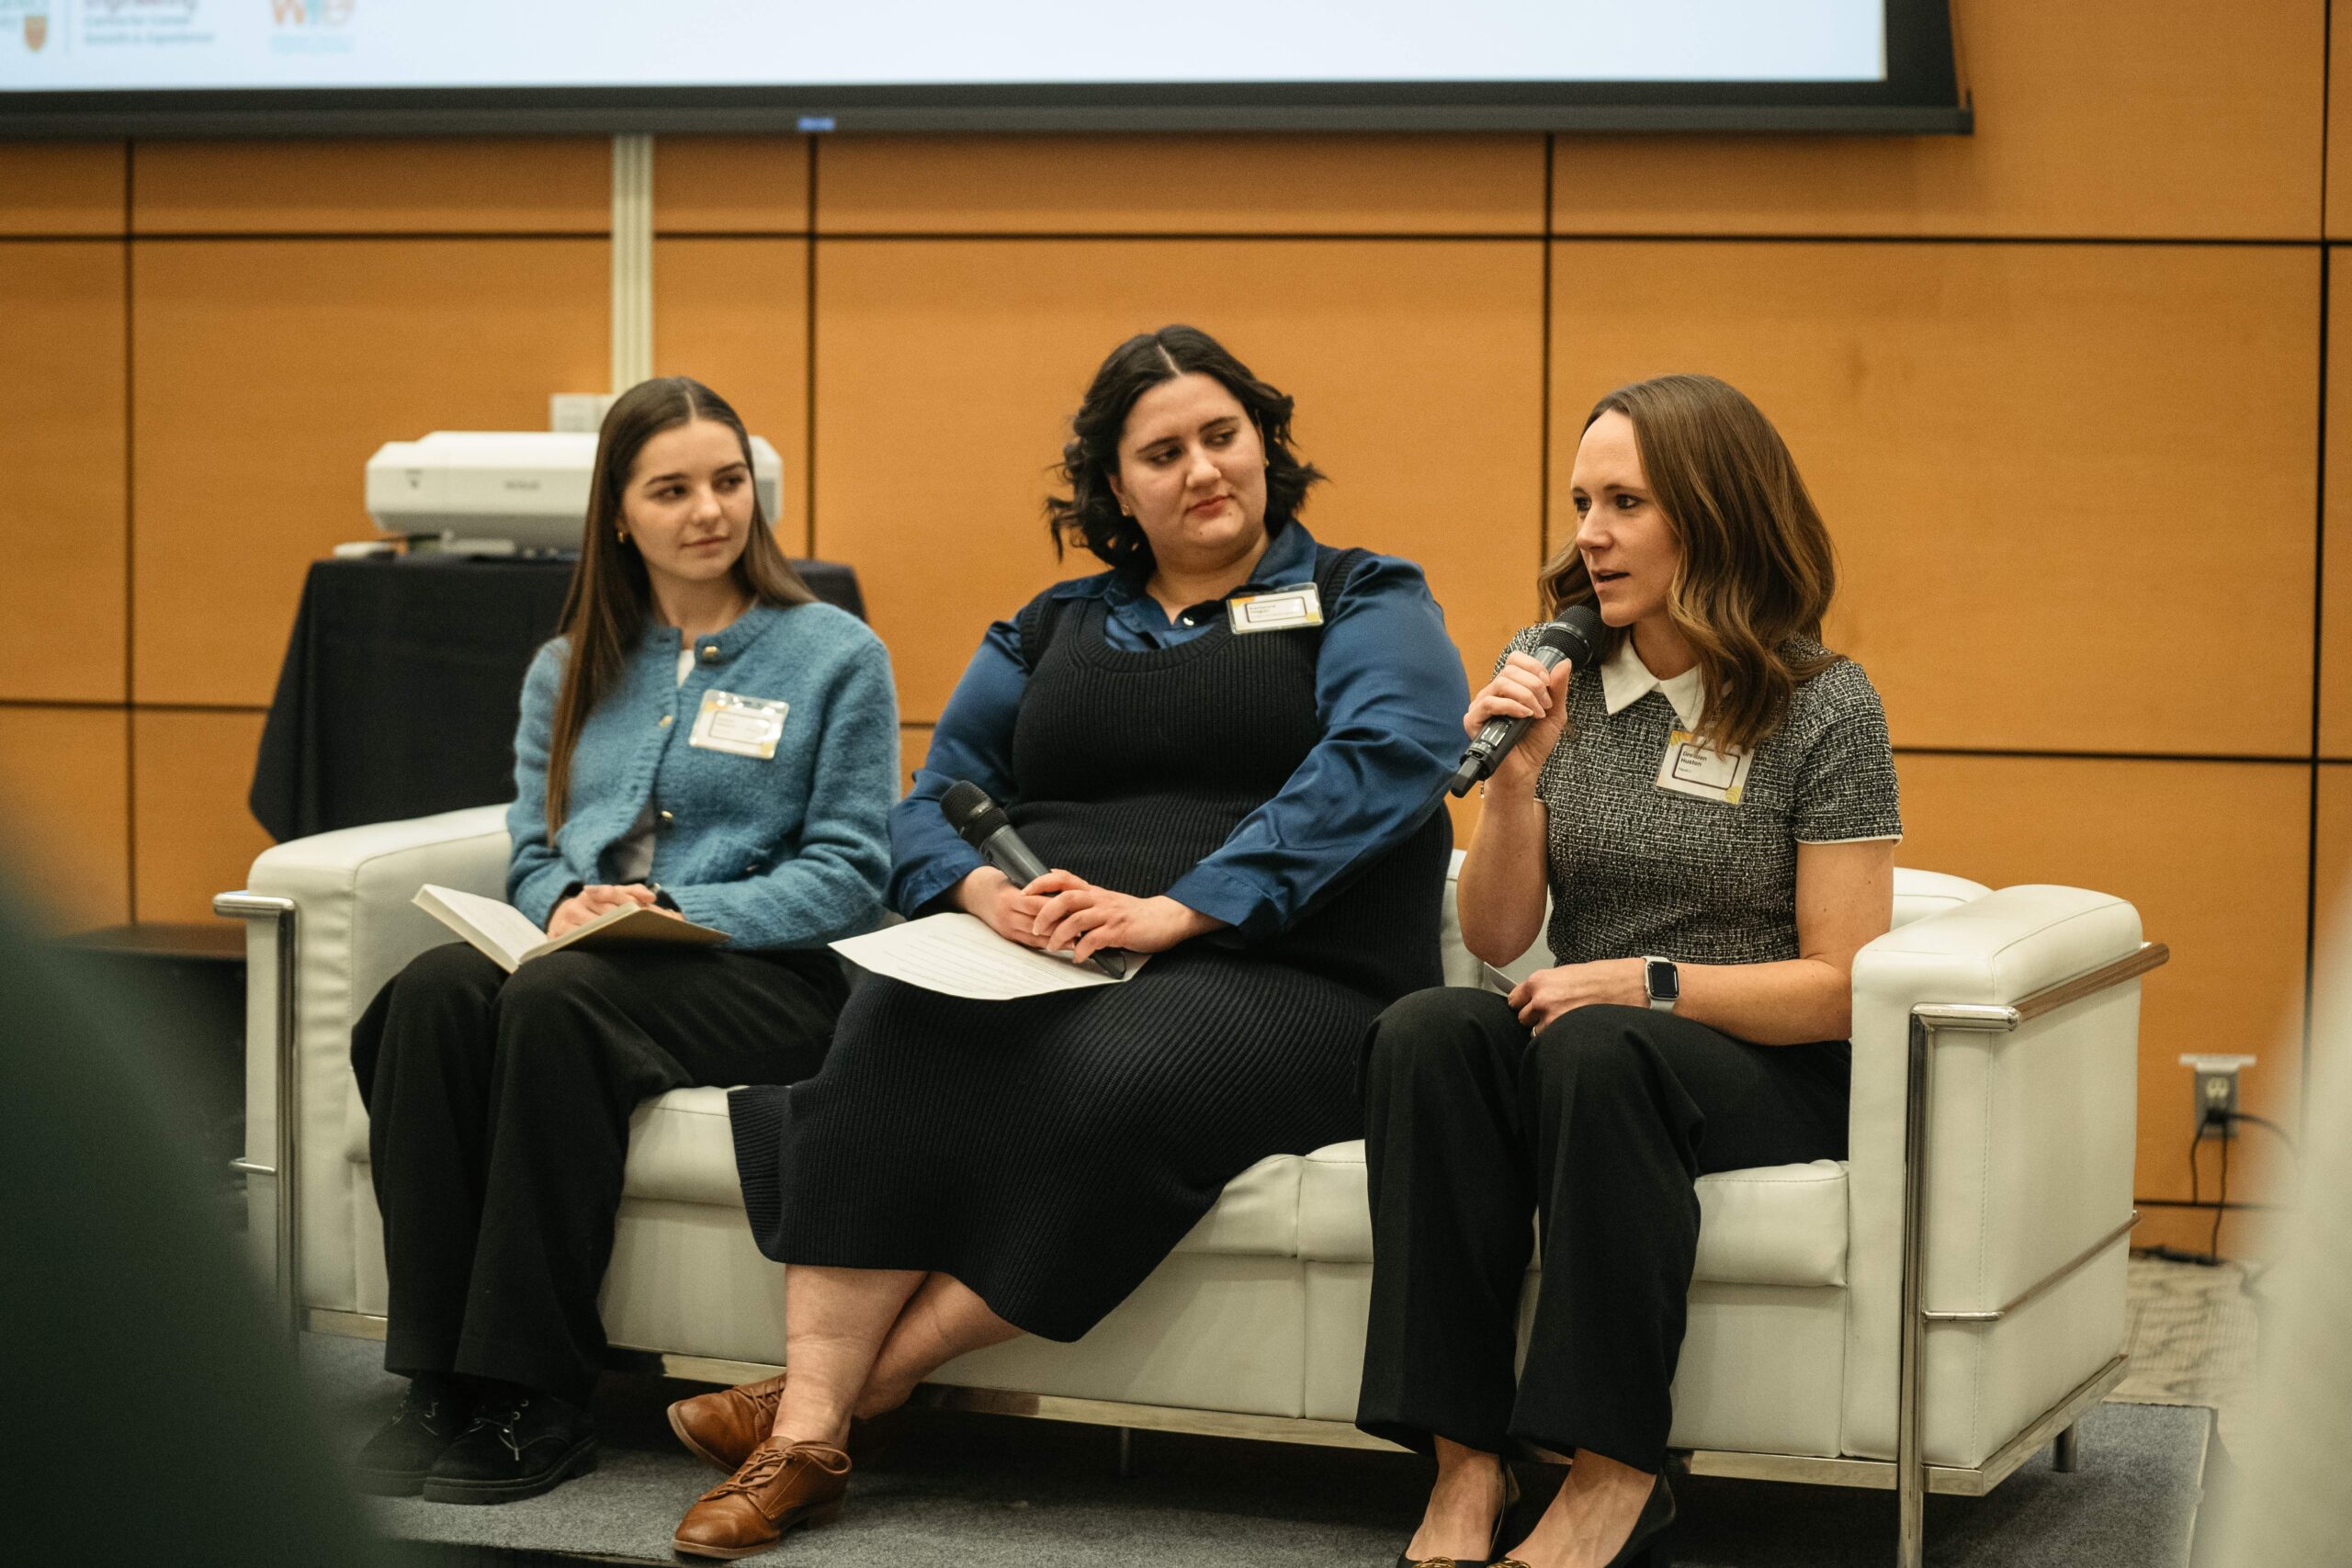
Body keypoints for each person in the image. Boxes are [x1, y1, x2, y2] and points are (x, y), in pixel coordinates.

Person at [662, 324, 1470, 1560]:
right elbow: (931, 798)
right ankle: (809, 1438)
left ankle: (851, 1397)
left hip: (1293, 972)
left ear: (1266, 446)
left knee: (1104, 1074)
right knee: (886, 1024)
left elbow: (1389, 756)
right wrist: (979, 892)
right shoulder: (1048, 626)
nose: (1203, 469)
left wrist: (1187, 905)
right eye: (1163, 453)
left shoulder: (1367, 595)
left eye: (1223, 436)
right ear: (1114, 490)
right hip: (1055, 954)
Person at [1356, 374, 1903, 1568]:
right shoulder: (1560, 674)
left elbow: (1842, 985)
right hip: (1587, 1049)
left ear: (1712, 515)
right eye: (1581, 503)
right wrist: (1514, 782)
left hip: (1761, 1063)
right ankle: (1465, 1464)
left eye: (1625, 503)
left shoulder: (1823, 707)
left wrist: (1647, 981)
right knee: (1427, 1032)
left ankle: (1614, 1472)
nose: (1590, 535)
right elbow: (1497, 935)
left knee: (1601, 1042)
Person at [346, 377, 899, 1506]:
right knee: (431, 993)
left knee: (556, 1005)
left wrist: (679, 915)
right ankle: (438, 1383)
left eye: (728, 482)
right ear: (617, 514)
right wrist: (563, 902)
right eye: (672, 490)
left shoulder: (834, 653)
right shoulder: (568, 666)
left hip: (768, 975)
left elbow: (850, 874)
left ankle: (536, 1394)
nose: (710, 511)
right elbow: (533, 847)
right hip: (597, 959)